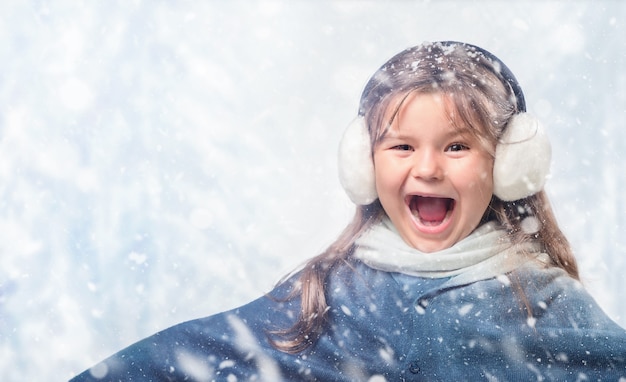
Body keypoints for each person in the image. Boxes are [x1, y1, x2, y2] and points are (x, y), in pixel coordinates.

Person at [71, 41, 626, 381]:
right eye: (402, 146)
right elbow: (179, 360)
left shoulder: (548, 306)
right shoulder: (329, 295)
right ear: (363, 163)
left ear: (510, 165)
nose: (427, 169)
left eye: (457, 147)